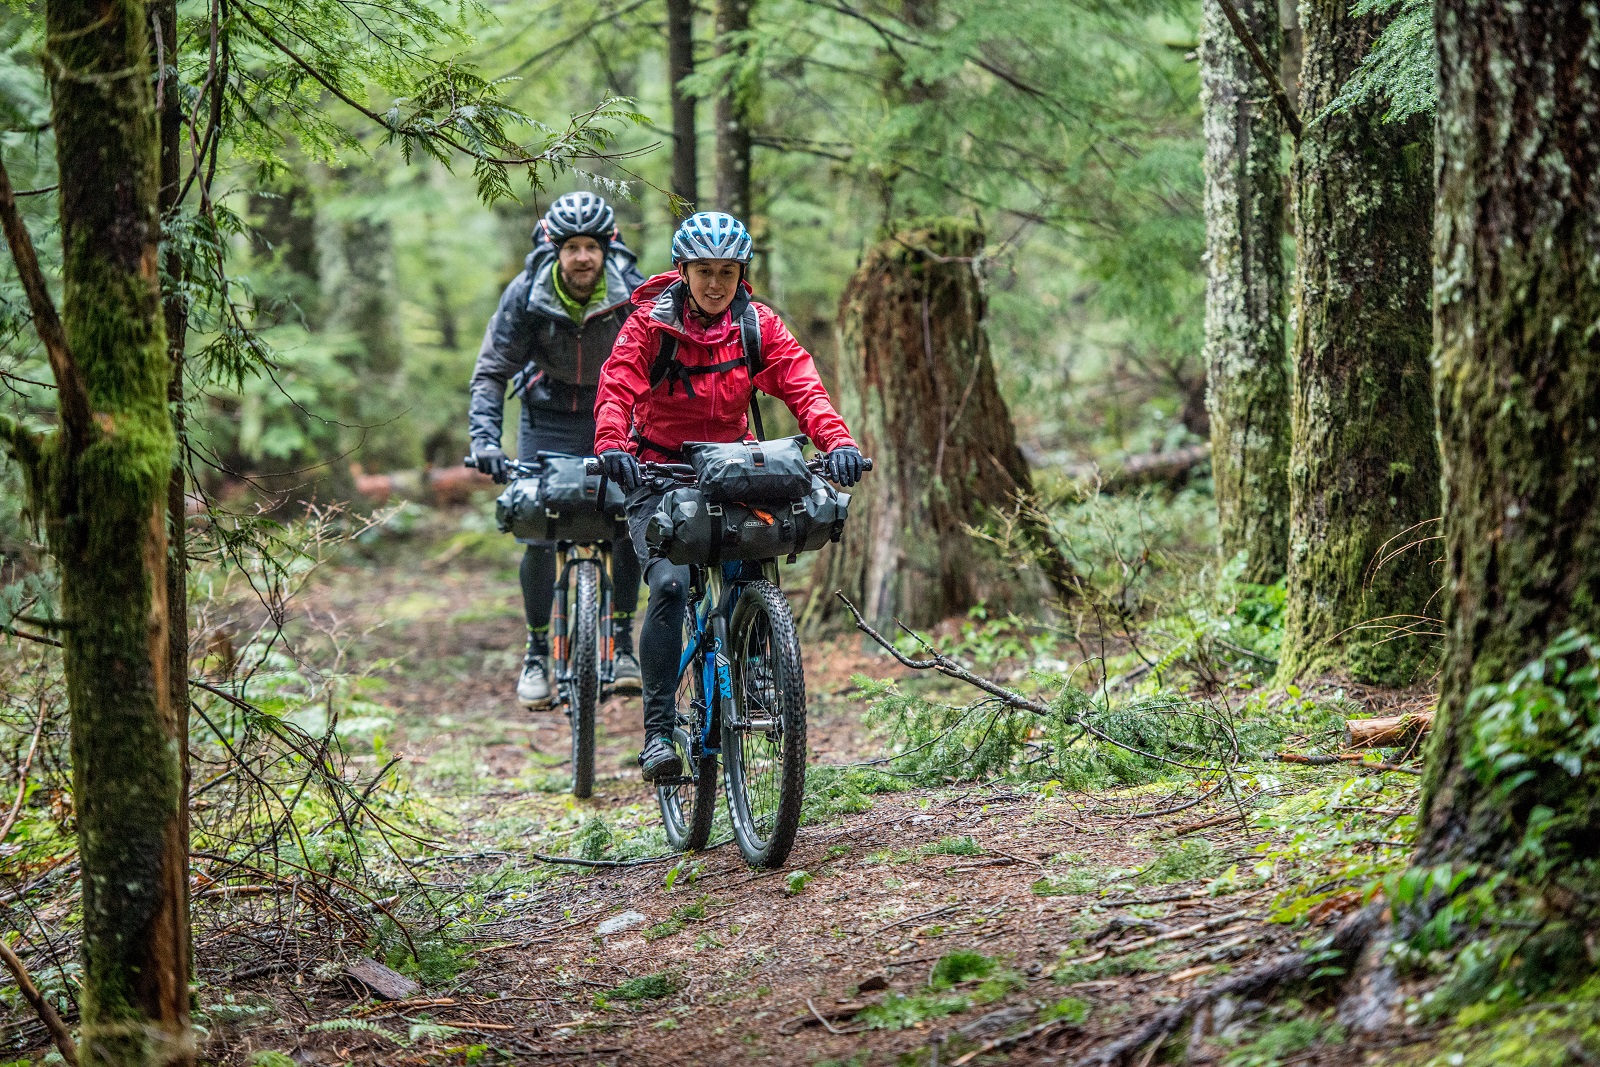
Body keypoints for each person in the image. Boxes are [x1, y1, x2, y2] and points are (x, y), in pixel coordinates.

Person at [591, 211, 865, 781]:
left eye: (728, 271)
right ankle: (659, 733)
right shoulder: (649, 325)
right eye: (703, 271)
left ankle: (761, 667)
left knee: (754, 562)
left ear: (743, 273)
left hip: (733, 467)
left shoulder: (756, 325)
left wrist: (837, 441)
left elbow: (802, 385)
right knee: (668, 585)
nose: (716, 284)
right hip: (657, 469)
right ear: (683, 271)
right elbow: (617, 383)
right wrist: (612, 443)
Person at [468, 191, 647, 707]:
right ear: (555, 248)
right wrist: (485, 440)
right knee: (538, 529)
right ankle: (537, 649)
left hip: (614, 413)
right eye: (573, 247)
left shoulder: (633, 291)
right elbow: (492, 371)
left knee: (626, 522)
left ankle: (624, 644)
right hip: (545, 416)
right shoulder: (525, 294)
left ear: (608, 246)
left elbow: (657, 365)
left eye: (592, 246)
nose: (583, 257)